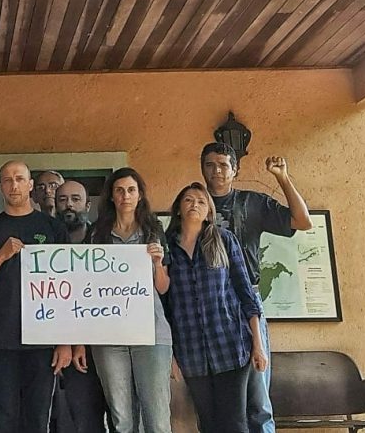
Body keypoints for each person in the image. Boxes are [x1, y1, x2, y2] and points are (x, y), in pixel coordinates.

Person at [200, 142, 311, 433]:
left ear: (235, 170)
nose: (217, 171)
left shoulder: (252, 202)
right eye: (210, 165)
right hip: (207, 306)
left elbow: (302, 221)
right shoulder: (193, 204)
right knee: (217, 395)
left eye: (223, 165)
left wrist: (282, 178)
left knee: (258, 392)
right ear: (202, 169)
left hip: (246, 300)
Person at [0, 160, 72, 433]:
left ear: (31, 185)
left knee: (38, 420)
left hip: (43, 341)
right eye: (8, 180)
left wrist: (65, 341)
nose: (14, 185)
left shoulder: (53, 228)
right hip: (1, 340)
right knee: (3, 420)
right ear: (1, 187)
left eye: (20, 179)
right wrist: (1, 255)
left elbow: (69, 287)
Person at [165, 182, 267, 433]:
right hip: (190, 353)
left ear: (209, 211)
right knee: (207, 423)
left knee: (234, 423)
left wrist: (258, 344)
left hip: (230, 347)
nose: (194, 205)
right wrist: (171, 356)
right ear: (178, 208)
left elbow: (246, 293)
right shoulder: (166, 247)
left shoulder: (224, 240)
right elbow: (165, 306)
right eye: (188, 200)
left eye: (201, 201)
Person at [86, 168, 172, 433]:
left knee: (157, 419)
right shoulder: (96, 234)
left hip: (151, 333)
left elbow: (163, 287)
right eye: (119, 190)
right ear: (111, 196)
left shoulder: (153, 230)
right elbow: (85, 285)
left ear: (140, 195)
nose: (125, 196)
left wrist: (157, 263)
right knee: (121, 420)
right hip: (109, 335)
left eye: (131, 190)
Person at [51, 180, 112, 433]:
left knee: (122, 418)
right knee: (84, 421)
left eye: (76, 199)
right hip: (70, 349)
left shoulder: (106, 240)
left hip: (111, 344)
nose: (69, 205)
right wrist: (67, 341)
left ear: (88, 205)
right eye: (63, 199)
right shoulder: (46, 247)